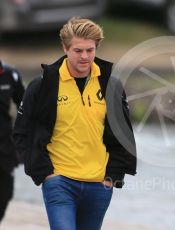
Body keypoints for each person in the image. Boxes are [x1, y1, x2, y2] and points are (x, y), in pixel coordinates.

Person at [13, 18, 137, 230]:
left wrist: (112, 177)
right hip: (59, 181)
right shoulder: (42, 85)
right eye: (78, 50)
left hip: (99, 185)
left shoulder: (111, 85)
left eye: (90, 50)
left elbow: (123, 133)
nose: (85, 57)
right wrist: (44, 174)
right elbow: (21, 133)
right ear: (65, 48)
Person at [0, 60, 25, 222]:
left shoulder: (10, 74)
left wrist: (21, 137)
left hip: (4, 147)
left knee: (5, 193)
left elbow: (26, 106)